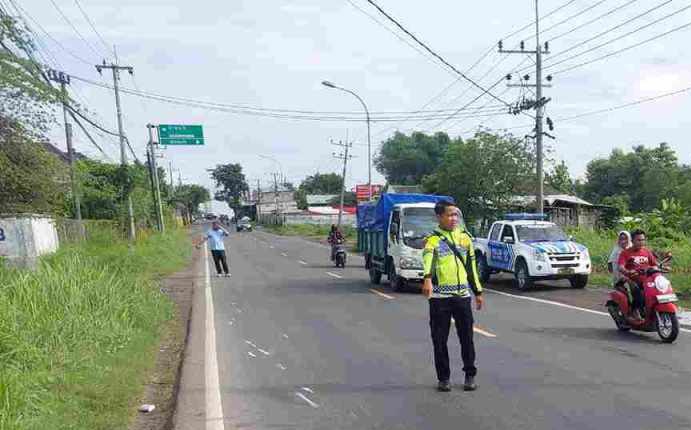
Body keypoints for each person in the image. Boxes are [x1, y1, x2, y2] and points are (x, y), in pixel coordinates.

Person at [422, 200, 484, 393]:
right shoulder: (433, 240)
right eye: (450, 215)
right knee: (439, 340)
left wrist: (478, 292)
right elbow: (428, 261)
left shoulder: (465, 239)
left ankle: (470, 375)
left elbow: (472, 267)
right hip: (439, 299)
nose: (454, 218)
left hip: (462, 296)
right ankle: (444, 378)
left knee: (467, 338)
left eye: (456, 214)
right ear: (439, 217)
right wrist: (427, 279)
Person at [617, 229, 657, 320]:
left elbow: (654, 264)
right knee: (639, 295)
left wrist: (663, 267)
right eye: (638, 240)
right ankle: (634, 310)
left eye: (643, 240)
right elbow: (621, 266)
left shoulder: (647, 252)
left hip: (648, 280)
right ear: (632, 240)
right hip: (632, 279)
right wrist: (627, 272)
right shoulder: (625, 253)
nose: (641, 242)